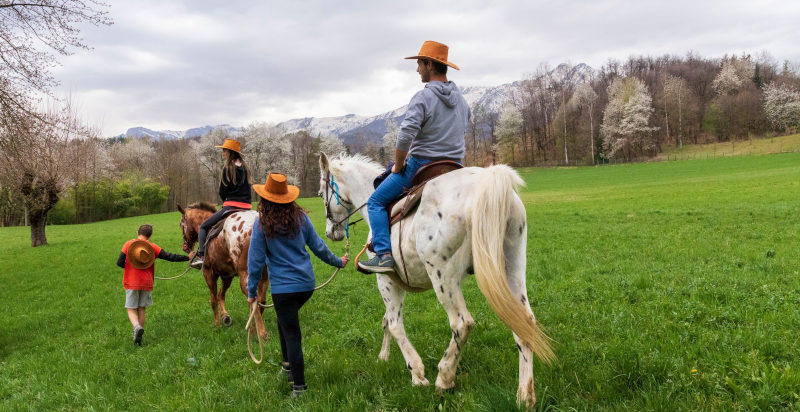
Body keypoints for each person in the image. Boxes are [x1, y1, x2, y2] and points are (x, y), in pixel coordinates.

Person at [358, 40, 470, 274]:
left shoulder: (422, 97)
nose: (417, 69)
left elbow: (405, 136)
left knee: (376, 201)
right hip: (455, 168)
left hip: (422, 167)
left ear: (430, 64)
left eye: (419, 63)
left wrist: (398, 166)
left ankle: (384, 256)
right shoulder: (462, 101)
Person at [246, 173, 349, 397]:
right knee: (285, 320)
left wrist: (251, 292)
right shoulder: (301, 218)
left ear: (265, 199)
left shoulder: (261, 224)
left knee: (291, 332)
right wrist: (337, 261)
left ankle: (299, 386)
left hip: (284, 290)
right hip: (306, 286)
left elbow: (254, 262)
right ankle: (287, 364)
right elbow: (318, 247)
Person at [117, 224, 192, 346]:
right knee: (141, 308)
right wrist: (187, 258)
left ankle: (136, 327)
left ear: (138, 232)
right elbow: (169, 256)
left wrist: (132, 266)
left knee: (131, 309)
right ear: (150, 235)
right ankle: (138, 338)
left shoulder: (128, 244)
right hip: (146, 282)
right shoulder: (152, 247)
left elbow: (120, 262)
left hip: (131, 281)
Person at [191, 138, 252, 269]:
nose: (223, 153)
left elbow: (222, 192)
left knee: (203, 227)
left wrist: (225, 201)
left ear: (230, 152)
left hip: (231, 206)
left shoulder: (227, 169)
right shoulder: (246, 168)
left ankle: (201, 256)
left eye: (224, 150)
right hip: (247, 207)